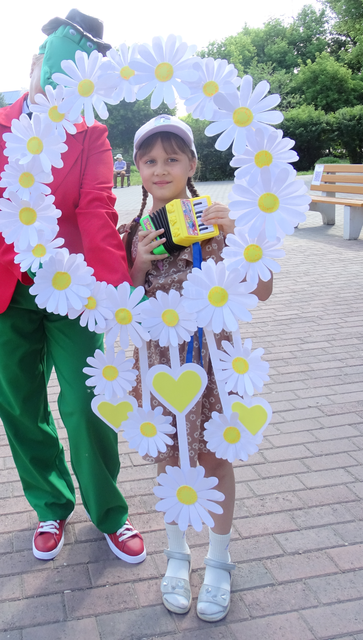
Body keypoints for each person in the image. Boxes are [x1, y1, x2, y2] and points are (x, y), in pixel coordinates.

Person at [0, 10, 146, 565]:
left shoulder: (90, 135)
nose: (59, 90)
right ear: (35, 64)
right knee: (19, 403)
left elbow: (96, 210)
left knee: (88, 400)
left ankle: (109, 511)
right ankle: (50, 503)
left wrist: (117, 291)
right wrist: (28, 259)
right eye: (54, 75)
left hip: (74, 290)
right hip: (6, 287)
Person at [120, 114, 272, 621]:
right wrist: (137, 265)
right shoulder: (133, 232)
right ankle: (177, 555)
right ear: (137, 168)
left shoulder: (216, 222)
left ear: (192, 164)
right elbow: (121, 307)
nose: (160, 169)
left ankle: (219, 561)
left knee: (215, 458)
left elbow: (262, 290)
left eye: (172, 158)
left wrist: (237, 238)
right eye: (149, 160)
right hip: (158, 363)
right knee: (169, 458)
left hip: (212, 359)